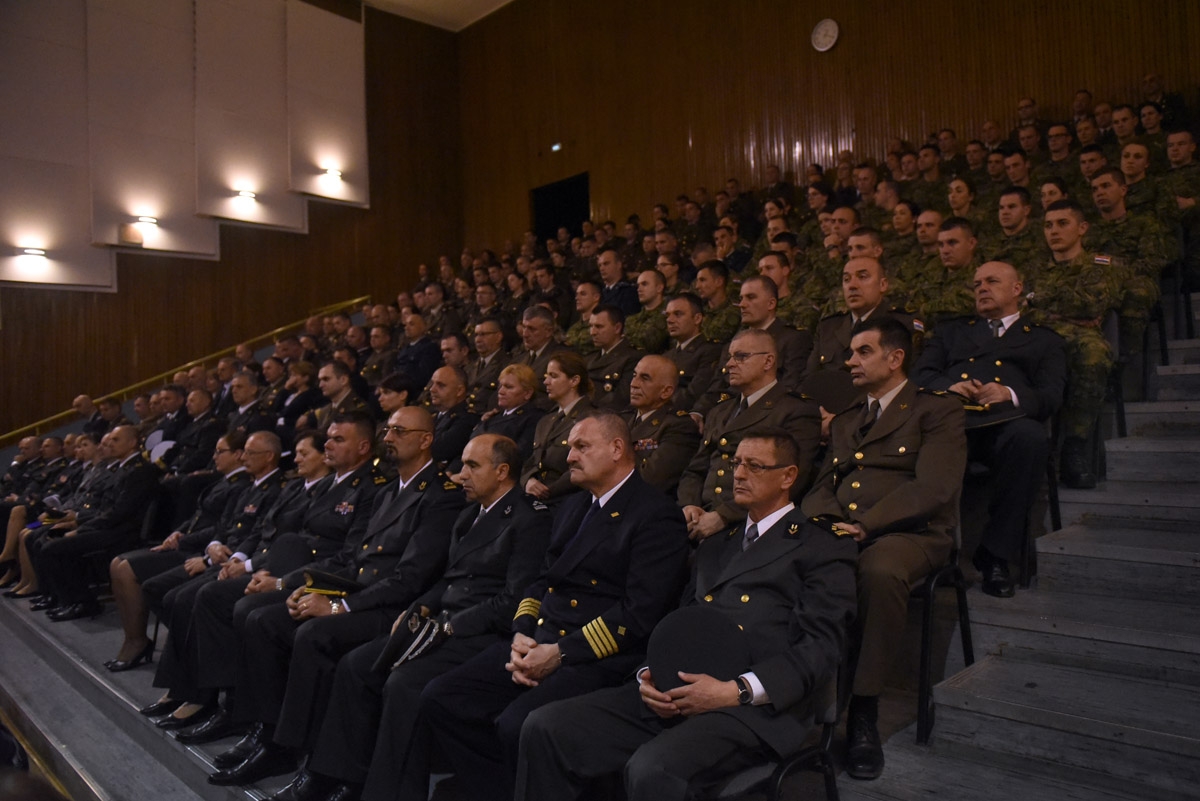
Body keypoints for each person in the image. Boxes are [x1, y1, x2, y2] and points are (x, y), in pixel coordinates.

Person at [516, 431, 857, 801]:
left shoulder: (820, 545)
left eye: (755, 466)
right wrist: (649, 674)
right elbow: (678, 622)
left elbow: (820, 647)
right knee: (545, 726)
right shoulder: (717, 543)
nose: (739, 474)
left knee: (653, 769)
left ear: (788, 476)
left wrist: (735, 690)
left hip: (755, 707)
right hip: (678, 690)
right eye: (736, 463)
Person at [408, 411, 690, 801]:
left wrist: (559, 653)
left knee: (517, 724)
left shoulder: (655, 514)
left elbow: (638, 614)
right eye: (570, 447)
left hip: (596, 655)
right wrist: (522, 634)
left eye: (581, 446)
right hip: (542, 638)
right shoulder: (572, 506)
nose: (570, 456)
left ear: (616, 449)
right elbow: (542, 580)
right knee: (441, 697)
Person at [273, 434, 553, 801]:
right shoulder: (470, 514)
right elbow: (449, 580)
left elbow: (513, 599)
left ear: (502, 472)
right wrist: (418, 607)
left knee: (404, 684)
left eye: (472, 466)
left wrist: (450, 625)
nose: (461, 474)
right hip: (442, 622)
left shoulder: (528, 518)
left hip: (481, 633)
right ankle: (340, 777)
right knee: (357, 666)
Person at [205, 407, 464, 788]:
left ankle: (316, 765)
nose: (388, 437)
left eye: (398, 431)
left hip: (395, 608)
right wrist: (302, 586)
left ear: (426, 440)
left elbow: (410, 578)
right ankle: (270, 737)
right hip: (363, 592)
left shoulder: (441, 496)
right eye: (388, 430)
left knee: (313, 635)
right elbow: (352, 559)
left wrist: (338, 606)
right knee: (265, 620)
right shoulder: (388, 491)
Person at [801, 316, 966, 781]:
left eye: (863, 352)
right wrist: (828, 522)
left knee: (879, 571)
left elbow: (934, 488)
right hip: (845, 528)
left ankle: (864, 710)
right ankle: (795, 694)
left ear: (896, 358)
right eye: (850, 352)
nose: (850, 361)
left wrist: (865, 524)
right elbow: (822, 484)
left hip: (913, 534)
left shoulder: (936, 410)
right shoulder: (849, 418)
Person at [913, 262, 1067, 596]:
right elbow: (920, 375)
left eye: (992, 281)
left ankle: (996, 555)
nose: (982, 288)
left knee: (1030, 438)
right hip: (953, 422)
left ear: (1017, 289)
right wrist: (950, 386)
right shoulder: (952, 332)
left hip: (1003, 427)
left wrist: (1008, 393)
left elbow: (1051, 396)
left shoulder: (1043, 339)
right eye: (977, 283)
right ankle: (926, 553)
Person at [679, 329, 821, 539]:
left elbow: (793, 479)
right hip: (700, 517)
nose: (729, 364)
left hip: (750, 521)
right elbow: (695, 469)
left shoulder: (795, 410)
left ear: (768, 361)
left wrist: (723, 516)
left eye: (741, 356)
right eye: (729, 357)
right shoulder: (720, 411)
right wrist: (690, 505)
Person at [1029, 200, 1122, 488]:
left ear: (1082, 228)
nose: (1053, 231)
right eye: (1048, 225)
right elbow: (1018, 308)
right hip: (1037, 335)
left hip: (1079, 340)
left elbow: (1091, 305)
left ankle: (1075, 445)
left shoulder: (1102, 265)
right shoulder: (1033, 268)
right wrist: (1060, 310)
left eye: (1062, 223)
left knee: (1093, 353)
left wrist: (1039, 303)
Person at [28, 425, 161, 621]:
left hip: (122, 531)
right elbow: (102, 508)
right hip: (104, 525)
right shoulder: (121, 468)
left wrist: (81, 527)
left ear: (133, 443)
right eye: (110, 440)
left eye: (115, 440)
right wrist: (75, 523)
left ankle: (84, 603)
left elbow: (119, 512)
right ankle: (62, 598)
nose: (109, 445)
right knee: (42, 537)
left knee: (53, 547)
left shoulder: (140, 471)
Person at [520, 352, 595, 504]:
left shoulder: (590, 418)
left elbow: (585, 465)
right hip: (536, 499)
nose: (546, 382)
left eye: (553, 376)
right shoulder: (546, 420)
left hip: (567, 500)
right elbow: (531, 461)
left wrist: (546, 491)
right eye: (546, 376)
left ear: (574, 380)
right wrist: (528, 481)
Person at [624, 355, 702, 495]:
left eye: (645, 378)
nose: (634, 384)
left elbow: (651, 478)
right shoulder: (622, 418)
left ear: (666, 392)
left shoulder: (680, 426)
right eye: (634, 375)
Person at [473, 364, 547, 466]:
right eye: (500, 386)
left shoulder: (534, 419)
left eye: (509, 387)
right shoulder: (493, 417)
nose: (501, 391)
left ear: (527, 393)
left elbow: (518, 456)